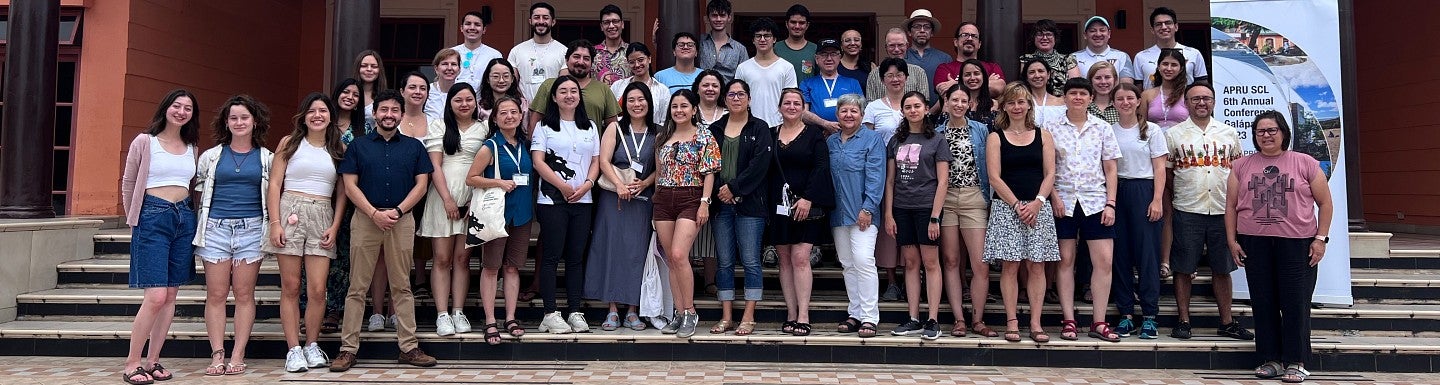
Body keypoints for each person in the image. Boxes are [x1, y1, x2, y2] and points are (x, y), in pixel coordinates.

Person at [332, 90, 437, 371]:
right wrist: (373, 213)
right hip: (366, 219)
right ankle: (347, 349)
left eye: (394, 110)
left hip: (401, 220)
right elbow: (350, 185)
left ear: (401, 115)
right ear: (375, 114)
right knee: (357, 287)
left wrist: (399, 211)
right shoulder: (359, 146)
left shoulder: (414, 147)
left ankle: (409, 347)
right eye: (384, 110)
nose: (389, 115)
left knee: (402, 285)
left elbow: (422, 185)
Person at [1226, 111, 1333, 383]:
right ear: (1254, 135)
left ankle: (1297, 361)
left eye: (1272, 130)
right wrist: (1232, 240)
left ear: (1283, 132)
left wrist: (1320, 239)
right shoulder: (1241, 166)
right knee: (1263, 302)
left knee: (1296, 302)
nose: (1266, 135)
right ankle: (1270, 359)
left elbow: (1325, 203)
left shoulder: (1305, 163)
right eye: (1261, 131)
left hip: (1297, 244)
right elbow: (1231, 206)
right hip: (1255, 243)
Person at [263, 93, 348, 373]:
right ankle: (293, 349)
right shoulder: (289, 143)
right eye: (312, 110)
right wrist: (275, 222)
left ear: (330, 117)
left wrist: (335, 226)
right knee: (291, 286)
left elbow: (342, 191)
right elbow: (274, 184)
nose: (317, 115)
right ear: (303, 115)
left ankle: (312, 344)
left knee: (318, 289)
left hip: (322, 212)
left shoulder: (337, 148)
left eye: (323, 110)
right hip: (290, 210)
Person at [119, 90, 200, 385]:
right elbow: (128, 183)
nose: (181, 111)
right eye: (176, 106)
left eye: (188, 108)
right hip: (152, 215)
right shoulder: (145, 142)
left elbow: (191, 185)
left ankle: (153, 361)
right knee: (154, 296)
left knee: (170, 297)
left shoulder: (192, 147)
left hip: (183, 217)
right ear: (165, 108)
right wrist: (134, 220)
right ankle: (132, 363)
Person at [1164, 82, 1254, 341]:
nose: (1201, 103)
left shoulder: (1228, 133)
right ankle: (1183, 320)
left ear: (1214, 101)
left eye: (1206, 98)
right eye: (1195, 99)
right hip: (1188, 208)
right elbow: (1169, 174)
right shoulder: (1174, 134)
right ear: (1186, 103)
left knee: (1223, 267)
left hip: (1222, 209)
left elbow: (1237, 172)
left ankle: (1226, 321)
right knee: (1183, 267)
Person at [197, 95, 275, 376]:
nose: (239, 122)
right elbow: (199, 194)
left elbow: (274, 195)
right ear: (226, 123)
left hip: (252, 229)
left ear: (255, 121)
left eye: (244, 117)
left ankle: (238, 353)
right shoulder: (211, 156)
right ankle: (217, 352)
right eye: (233, 118)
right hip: (216, 229)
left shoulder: (267, 158)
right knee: (216, 294)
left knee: (244, 294)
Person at [1045, 78, 1122, 342]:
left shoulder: (1102, 128)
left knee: (1104, 262)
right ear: (1064, 97)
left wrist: (1111, 203)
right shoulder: (1050, 128)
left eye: (1082, 93)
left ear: (1091, 98)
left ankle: (1098, 321)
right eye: (1072, 93)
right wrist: (1053, 197)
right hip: (1063, 202)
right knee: (1065, 261)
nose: (1077, 97)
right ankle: (1069, 320)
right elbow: (1048, 169)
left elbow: (1111, 168)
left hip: (1096, 201)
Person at [983, 82, 1059, 343]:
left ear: (1029, 105)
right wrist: (1016, 205)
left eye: (1021, 102)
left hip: (1038, 207)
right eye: (1011, 102)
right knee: (1010, 266)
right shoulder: (996, 136)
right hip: (1007, 208)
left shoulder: (1043, 135)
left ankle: (1036, 323)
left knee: (1037, 266)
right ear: (1004, 106)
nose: (1017, 107)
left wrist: (1038, 201)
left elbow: (1050, 173)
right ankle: (1012, 320)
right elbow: (994, 177)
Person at [531, 75, 602, 334]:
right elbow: (538, 161)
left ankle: (575, 311)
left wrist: (587, 185)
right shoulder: (544, 126)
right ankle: (550, 313)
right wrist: (562, 185)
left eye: (574, 91)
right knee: (551, 256)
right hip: (552, 200)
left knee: (575, 258)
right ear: (554, 97)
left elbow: (596, 160)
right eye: (563, 91)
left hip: (583, 199)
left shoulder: (590, 126)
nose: (569, 95)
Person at [585, 82, 659, 331]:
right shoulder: (614, 128)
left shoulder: (658, 132)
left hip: (642, 200)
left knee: (637, 253)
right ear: (624, 104)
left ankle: (633, 310)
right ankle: (613, 309)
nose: (637, 105)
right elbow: (603, 161)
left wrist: (646, 183)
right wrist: (618, 184)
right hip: (613, 198)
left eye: (641, 100)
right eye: (631, 100)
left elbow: (660, 169)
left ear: (649, 102)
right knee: (612, 249)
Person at [419, 82, 489, 337]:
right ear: (450, 103)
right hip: (442, 196)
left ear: (476, 102)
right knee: (441, 258)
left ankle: (458, 310)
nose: (464, 104)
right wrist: (447, 199)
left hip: (472, 197)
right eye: (458, 100)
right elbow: (435, 166)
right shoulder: (439, 126)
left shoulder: (484, 128)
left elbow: (487, 166)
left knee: (463, 258)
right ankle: (442, 314)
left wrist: (475, 200)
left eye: (469, 99)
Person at [465, 96, 535, 345]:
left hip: (522, 213)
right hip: (496, 215)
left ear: (520, 116)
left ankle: (511, 317)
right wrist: (497, 182)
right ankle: (490, 320)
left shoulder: (525, 145)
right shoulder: (490, 147)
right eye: (503, 113)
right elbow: (471, 178)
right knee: (492, 267)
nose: (509, 116)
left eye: (514, 112)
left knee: (513, 267)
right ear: (494, 118)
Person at [708, 79, 775, 336]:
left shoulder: (760, 128)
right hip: (720, 204)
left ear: (749, 98)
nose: (736, 98)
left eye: (741, 94)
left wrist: (734, 188)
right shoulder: (715, 128)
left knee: (750, 261)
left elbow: (761, 164)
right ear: (725, 99)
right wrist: (720, 192)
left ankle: (748, 316)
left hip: (750, 204)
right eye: (731, 94)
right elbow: (708, 164)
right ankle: (726, 316)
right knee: (724, 262)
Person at [884, 91, 952, 340]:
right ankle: (913, 318)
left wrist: (935, 216)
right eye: (908, 107)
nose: (913, 110)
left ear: (926, 109)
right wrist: (889, 214)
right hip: (902, 207)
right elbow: (890, 180)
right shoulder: (895, 140)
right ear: (903, 111)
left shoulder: (937, 139)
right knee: (910, 263)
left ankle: (933, 319)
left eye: (917, 106)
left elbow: (943, 180)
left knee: (930, 262)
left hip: (927, 207)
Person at [767, 88, 834, 336]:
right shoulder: (771, 134)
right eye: (787, 102)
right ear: (780, 107)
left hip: (807, 205)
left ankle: (804, 314)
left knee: (800, 258)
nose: (792, 107)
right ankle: (790, 313)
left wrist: (808, 198)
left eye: (797, 103)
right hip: (779, 205)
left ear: (803, 108)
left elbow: (821, 167)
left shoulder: (814, 135)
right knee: (784, 260)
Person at [652, 89, 719, 338]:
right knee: (671, 257)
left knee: (680, 254)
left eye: (684, 106)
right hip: (664, 199)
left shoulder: (704, 135)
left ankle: (690, 311)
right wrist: (656, 200)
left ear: (693, 109)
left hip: (692, 196)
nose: (679, 110)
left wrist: (705, 202)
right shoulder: (662, 137)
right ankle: (678, 313)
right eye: (674, 106)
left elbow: (710, 172)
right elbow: (659, 173)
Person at [935, 86, 996, 338]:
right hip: (946, 199)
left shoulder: (981, 130)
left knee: (980, 262)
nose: (959, 104)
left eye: (964, 100)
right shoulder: (936, 132)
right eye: (954, 100)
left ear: (970, 104)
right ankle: (959, 318)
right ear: (945, 103)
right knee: (950, 261)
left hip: (974, 196)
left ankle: (978, 319)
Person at [1108, 82, 1167, 339]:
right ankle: (1126, 313)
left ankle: (1150, 315)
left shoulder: (1152, 130)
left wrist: (1157, 200)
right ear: (1113, 103)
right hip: (1116, 191)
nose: (1125, 102)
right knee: (1119, 253)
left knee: (1147, 254)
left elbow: (1160, 169)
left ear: (1138, 101)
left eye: (1130, 98)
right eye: (1119, 98)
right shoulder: (1108, 131)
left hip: (1144, 190)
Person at [829, 93, 886, 338]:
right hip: (838, 212)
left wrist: (868, 208)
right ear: (837, 115)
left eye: (854, 111)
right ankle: (855, 312)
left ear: (862, 115)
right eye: (844, 111)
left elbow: (876, 176)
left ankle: (870, 316)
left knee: (863, 261)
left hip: (863, 212)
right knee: (847, 264)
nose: (849, 115)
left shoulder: (872, 139)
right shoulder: (831, 141)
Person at [863, 57, 908, 301]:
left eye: (899, 74)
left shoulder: (914, 104)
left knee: (909, 226)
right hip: (882, 172)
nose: (895, 78)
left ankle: (910, 277)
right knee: (888, 229)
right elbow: (868, 142)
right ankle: (891, 281)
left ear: (906, 78)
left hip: (913, 174)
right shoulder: (872, 108)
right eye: (889, 75)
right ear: (882, 80)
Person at [530, 40, 622, 131]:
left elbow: (613, 127)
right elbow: (535, 122)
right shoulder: (549, 86)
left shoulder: (603, 89)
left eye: (586, 58)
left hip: (592, 144)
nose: (581, 62)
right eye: (576, 57)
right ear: (566, 60)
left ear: (591, 63)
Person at [734, 17, 798, 127]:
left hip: (779, 125)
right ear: (753, 40)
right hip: (749, 125)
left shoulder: (787, 67)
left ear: (774, 39)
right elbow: (737, 97)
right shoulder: (743, 68)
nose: (762, 39)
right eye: (758, 36)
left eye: (767, 35)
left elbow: (791, 99)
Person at [1133, 7, 1208, 89]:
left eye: (1168, 23)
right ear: (1152, 30)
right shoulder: (1141, 57)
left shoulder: (1194, 53)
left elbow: (1202, 86)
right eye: (1158, 24)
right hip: (1152, 101)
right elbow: (1138, 89)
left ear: (1176, 27)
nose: (1164, 27)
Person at [799, 39, 864, 134]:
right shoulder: (806, 83)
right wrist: (825, 124)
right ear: (817, 59)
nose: (829, 58)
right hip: (816, 135)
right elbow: (802, 113)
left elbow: (861, 112)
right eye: (824, 54)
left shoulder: (852, 83)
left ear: (840, 58)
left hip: (848, 136)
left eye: (833, 54)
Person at [509, 2, 568, 101]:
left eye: (545, 18)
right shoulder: (517, 50)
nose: (541, 21)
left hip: (552, 109)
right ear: (530, 21)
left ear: (553, 22)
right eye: (537, 17)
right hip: (523, 109)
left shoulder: (564, 51)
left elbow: (563, 85)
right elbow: (511, 84)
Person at [934, 22, 1006, 97]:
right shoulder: (944, 68)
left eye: (974, 36)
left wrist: (956, 84)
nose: (970, 39)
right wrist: (987, 82)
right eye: (965, 35)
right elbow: (944, 91)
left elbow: (999, 88)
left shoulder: (992, 67)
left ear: (979, 44)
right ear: (956, 42)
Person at [610, 42, 672, 126]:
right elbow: (611, 116)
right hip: (623, 135)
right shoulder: (617, 86)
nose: (637, 65)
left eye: (640, 60)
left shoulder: (662, 90)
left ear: (649, 59)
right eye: (632, 62)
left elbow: (665, 121)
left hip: (653, 135)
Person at [866, 28, 930, 103]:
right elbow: (870, 104)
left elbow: (924, 103)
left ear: (907, 46)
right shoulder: (874, 74)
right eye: (892, 45)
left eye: (900, 45)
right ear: (886, 47)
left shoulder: (919, 72)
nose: (896, 49)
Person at [1017, 19, 1075, 97]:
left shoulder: (1068, 59)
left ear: (1055, 37)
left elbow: (1075, 87)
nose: (1044, 38)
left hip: (1063, 104)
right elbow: (1024, 85)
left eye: (1049, 34)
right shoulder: (1026, 59)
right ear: (1034, 38)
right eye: (1040, 34)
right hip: (1034, 104)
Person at [1071, 16, 1134, 85]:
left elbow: (1127, 86)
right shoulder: (1073, 58)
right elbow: (1073, 87)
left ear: (1109, 34)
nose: (1098, 34)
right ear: (1085, 35)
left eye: (1102, 30)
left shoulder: (1122, 56)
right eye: (1092, 31)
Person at [902, 9, 951, 94]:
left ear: (932, 32)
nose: (922, 30)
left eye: (927, 27)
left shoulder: (945, 59)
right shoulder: (901, 57)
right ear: (909, 32)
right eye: (917, 26)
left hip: (940, 107)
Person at [1140, 49, 1190, 129]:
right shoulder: (1146, 95)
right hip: (1154, 139)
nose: (1169, 68)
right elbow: (1142, 126)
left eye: (1174, 65)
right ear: (1158, 66)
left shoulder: (1188, 94)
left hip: (1183, 139)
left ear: (1181, 69)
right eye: (1165, 64)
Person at [698, 0, 747, 82]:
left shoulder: (740, 49)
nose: (718, 19)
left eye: (722, 15)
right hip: (702, 92)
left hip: (728, 93)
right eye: (714, 15)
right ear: (707, 18)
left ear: (729, 18)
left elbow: (744, 78)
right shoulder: (699, 43)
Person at [453, 9, 504, 88]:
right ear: (461, 28)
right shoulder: (451, 53)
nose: (472, 28)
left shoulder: (494, 55)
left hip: (485, 99)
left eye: (477, 24)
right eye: (468, 24)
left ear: (484, 30)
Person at [775, 4, 817, 82]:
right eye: (793, 22)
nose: (797, 26)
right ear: (786, 24)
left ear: (807, 25)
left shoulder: (815, 49)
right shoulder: (775, 48)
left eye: (801, 23)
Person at [478, 58, 528, 123]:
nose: (501, 80)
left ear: (512, 79)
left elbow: (526, 130)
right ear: (487, 79)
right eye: (496, 76)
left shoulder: (522, 104)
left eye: (506, 76)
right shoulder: (480, 106)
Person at [593, 4, 630, 86]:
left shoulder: (631, 51)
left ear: (622, 24)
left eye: (615, 21)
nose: (611, 26)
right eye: (606, 22)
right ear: (601, 26)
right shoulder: (591, 53)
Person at [1023, 58, 1066, 126]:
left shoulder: (1061, 102)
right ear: (1026, 77)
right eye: (1032, 72)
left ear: (1048, 75)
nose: (1037, 75)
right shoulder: (1021, 103)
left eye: (1041, 71)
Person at [426, 48, 462, 121]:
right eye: (445, 64)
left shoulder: (464, 92)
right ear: (436, 69)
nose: (449, 68)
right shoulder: (426, 91)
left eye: (453, 64)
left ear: (459, 69)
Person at [335, 78, 372, 144]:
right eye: (346, 92)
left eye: (356, 95)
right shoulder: (325, 121)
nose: (350, 97)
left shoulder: (365, 127)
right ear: (337, 94)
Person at [354, 50, 388, 117]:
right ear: (358, 69)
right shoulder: (348, 95)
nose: (369, 69)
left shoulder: (386, 97)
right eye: (364, 66)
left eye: (374, 66)